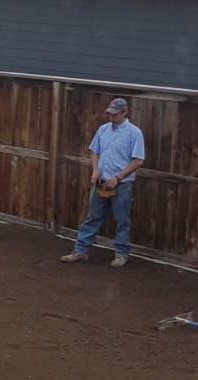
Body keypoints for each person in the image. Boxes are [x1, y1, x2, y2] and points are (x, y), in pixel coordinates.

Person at [61, 97, 146, 268]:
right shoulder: (103, 130)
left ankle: (121, 254)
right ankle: (81, 250)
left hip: (122, 184)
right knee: (93, 216)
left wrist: (118, 177)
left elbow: (138, 161)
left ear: (124, 112)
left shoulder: (134, 133)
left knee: (122, 219)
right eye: (109, 113)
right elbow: (94, 151)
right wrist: (95, 170)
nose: (111, 117)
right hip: (102, 181)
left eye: (115, 114)